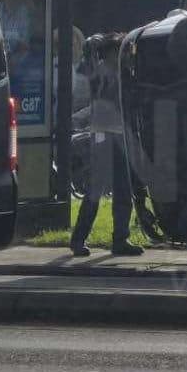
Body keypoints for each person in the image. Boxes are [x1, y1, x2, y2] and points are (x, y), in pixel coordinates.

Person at [70, 33, 143, 257]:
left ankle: (120, 238)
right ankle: (79, 238)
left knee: (123, 188)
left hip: (118, 134)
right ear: (112, 52)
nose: (126, 54)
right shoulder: (101, 71)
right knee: (96, 188)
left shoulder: (121, 73)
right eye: (122, 50)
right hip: (103, 133)